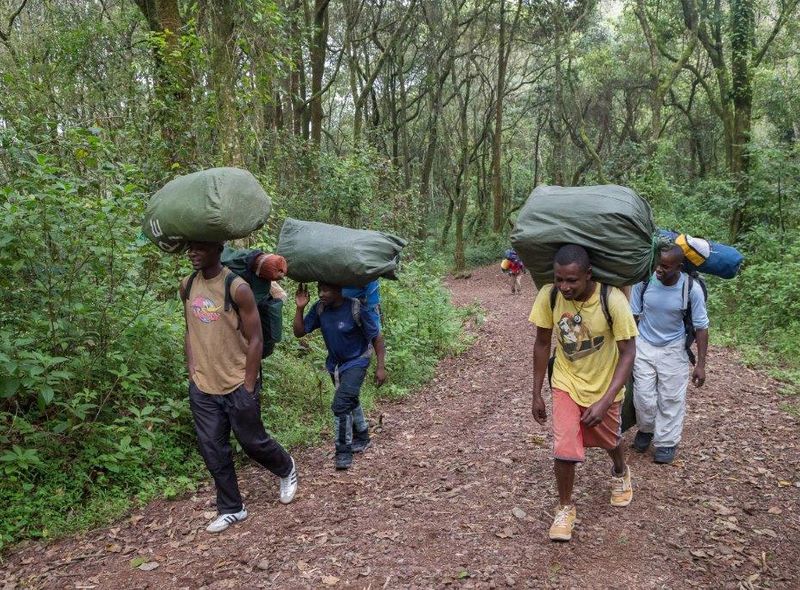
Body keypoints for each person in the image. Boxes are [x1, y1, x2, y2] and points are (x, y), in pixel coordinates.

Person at [181, 241, 298, 533]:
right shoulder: (187, 285)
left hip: (236, 380)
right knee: (213, 448)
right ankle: (232, 507)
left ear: (217, 249)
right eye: (189, 248)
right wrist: (192, 370)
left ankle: (286, 468)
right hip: (204, 385)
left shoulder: (237, 287)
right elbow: (189, 330)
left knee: (252, 441)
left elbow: (256, 338)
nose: (193, 252)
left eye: (199, 248)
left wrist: (247, 384)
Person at [529, 244, 638, 542]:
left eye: (572, 281)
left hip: (605, 385)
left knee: (608, 439)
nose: (564, 287)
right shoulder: (549, 295)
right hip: (565, 380)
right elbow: (541, 343)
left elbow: (628, 353)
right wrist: (537, 392)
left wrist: (605, 400)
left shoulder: (611, 299)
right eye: (559, 279)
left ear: (588, 275)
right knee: (564, 446)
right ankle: (565, 508)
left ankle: (620, 470)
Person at [629, 244, 709, 464]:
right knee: (643, 396)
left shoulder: (691, 288)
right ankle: (646, 429)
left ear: (679, 267)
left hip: (674, 349)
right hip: (644, 344)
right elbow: (633, 317)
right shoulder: (644, 283)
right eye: (657, 264)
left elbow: (702, 327)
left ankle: (666, 442)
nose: (659, 270)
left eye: (665, 266)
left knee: (671, 398)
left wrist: (700, 364)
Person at [293, 282, 387, 470]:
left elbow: (376, 337)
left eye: (326, 290)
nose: (321, 294)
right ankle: (362, 435)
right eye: (319, 289)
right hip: (336, 365)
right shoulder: (320, 309)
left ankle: (343, 451)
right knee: (350, 399)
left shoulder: (355, 307)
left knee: (340, 404)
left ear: (339, 290)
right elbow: (299, 332)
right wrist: (300, 307)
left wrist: (381, 367)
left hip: (358, 360)